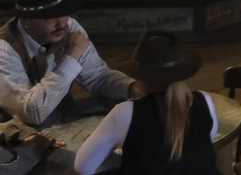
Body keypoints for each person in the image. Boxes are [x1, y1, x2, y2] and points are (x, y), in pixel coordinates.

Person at [0, 0, 138, 126]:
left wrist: (133, 88)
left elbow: (97, 77)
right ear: (26, 19)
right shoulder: (5, 48)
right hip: (19, 136)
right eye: (50, 17)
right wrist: (71, 58)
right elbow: (31, 113)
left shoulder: (68, 26)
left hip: (63, 119)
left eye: (64, 13)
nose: (62, 24)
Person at [73, 31, 215, 175]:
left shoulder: (125, 112)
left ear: (138, 76)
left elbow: (84, 167)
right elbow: (203, 143)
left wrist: (129, 158)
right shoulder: (205, 101)